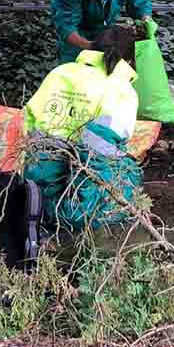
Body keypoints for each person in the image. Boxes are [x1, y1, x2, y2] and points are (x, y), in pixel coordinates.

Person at [23, 25, 143, 230]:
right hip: (78, 190)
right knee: (131, 170)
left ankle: (43, 207)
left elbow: (29, 123)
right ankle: (68, 215)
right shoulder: (122, 89)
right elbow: (100, 155)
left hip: (37, 179)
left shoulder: (60, 72)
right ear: (130, 60)